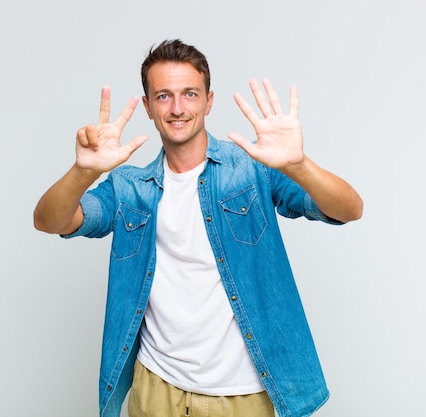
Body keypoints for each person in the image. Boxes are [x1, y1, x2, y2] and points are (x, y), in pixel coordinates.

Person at [34, 39, 362, 417]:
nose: (177, 108)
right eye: (163, 96)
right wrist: (83, 172)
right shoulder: (130, 189)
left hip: (242, 395)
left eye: (189, 94)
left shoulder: (252, 169)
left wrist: (299, 165)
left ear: (208, 101)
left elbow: (348, 209)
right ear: (147, 107)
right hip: (156, 388)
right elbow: (51, 221)